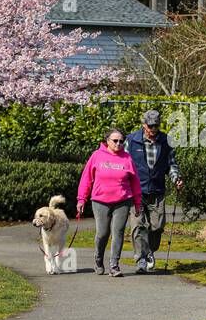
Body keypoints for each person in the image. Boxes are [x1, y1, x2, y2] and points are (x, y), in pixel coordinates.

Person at [76, 128, 142, 278]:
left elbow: (135, 182)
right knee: (102, 233)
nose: (118, 144)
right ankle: (99, 259)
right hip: (100, 201)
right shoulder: (97, 156)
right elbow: (87, 178)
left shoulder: (127, 158)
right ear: (107, 141)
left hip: (123, 201)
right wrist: (81, 199)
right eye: (115, 141)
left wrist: (137, 203)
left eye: (121, 141)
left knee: (118, 232)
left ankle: (114, 265)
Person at [125, 109, 183, 274]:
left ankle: (149, 250)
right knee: (138, 226)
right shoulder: (131, 140)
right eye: (150, 126)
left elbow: (171, 164)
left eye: (156, 125)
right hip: (137, 191)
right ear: (143, 124)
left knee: (157, 227)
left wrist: (176, 178)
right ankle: (141, 260)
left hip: (157, 190)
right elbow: (125, 164)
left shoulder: (166, 141)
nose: (153, 129)